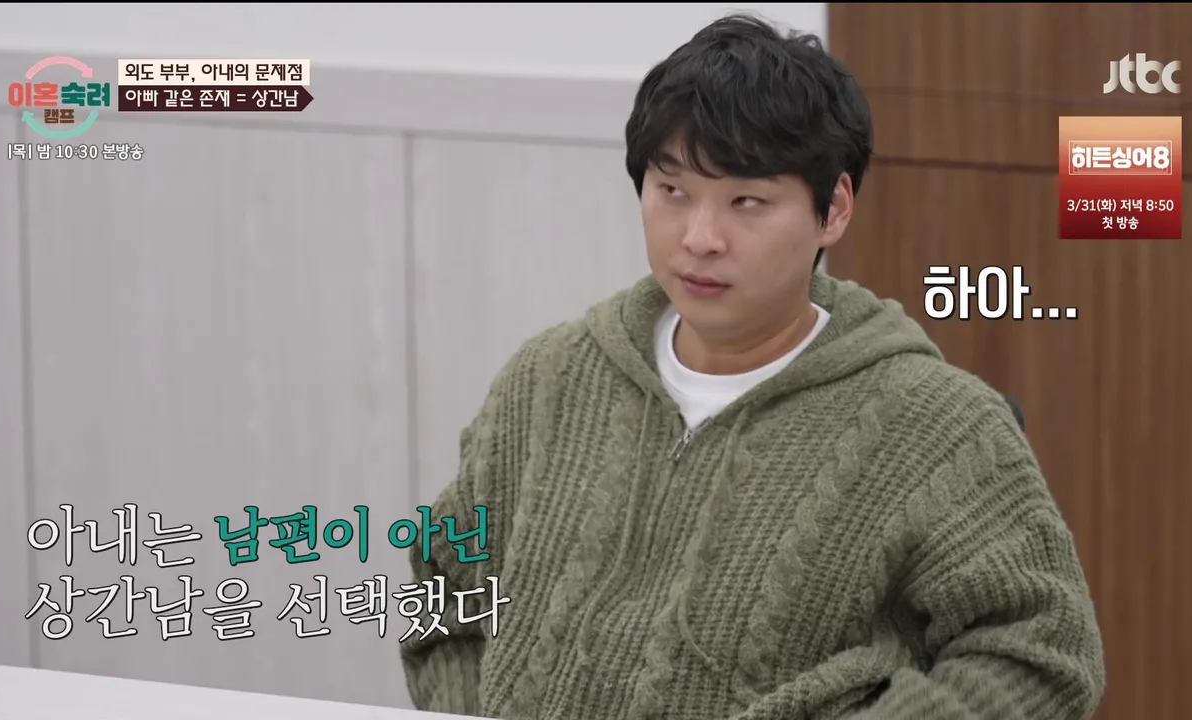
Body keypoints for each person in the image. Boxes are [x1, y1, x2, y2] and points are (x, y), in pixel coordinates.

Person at [400, 12, 1106, 720]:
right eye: (672, 191)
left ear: (833, 210)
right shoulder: (546, 380)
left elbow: (1041, 656)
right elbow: (442, 591)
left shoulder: (937, 424)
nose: (700, 238)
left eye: (748, 202)